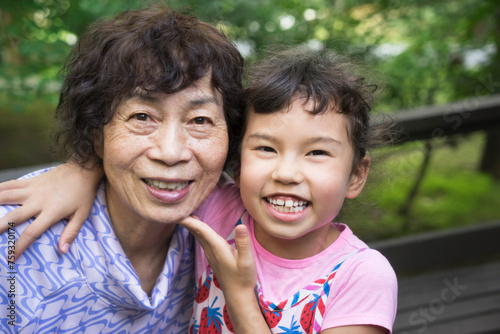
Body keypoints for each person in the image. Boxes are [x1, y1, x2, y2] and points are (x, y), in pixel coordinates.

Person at [1, 48, 398, 333]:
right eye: (265, 148)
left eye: (316, 153)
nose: (287, 173)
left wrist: (239, 296)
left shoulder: (362, 277)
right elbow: (152, 168)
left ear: (357, 176)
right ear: (238, 158)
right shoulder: (223, 209)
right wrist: (80, 168)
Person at [0, 4, 259, 332]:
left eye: (200, 120)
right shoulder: (15, 236)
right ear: (97, 129)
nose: (171, 152)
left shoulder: (236, 227)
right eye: (141, 117)